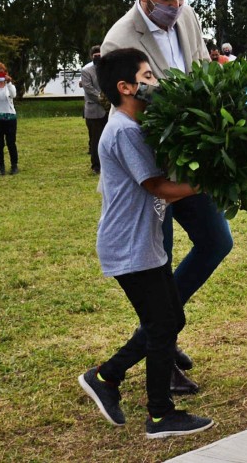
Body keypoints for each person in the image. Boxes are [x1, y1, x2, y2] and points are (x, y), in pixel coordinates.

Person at [102, 0, 233, 394]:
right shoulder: (119, 39)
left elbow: (199, 73)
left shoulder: (188, 16)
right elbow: (131, 113)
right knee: (159, 263)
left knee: (217, 241)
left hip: (192, 162)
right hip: (155, 170)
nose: (176, 5)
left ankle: (153, 337)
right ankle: (162, 345)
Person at [78, 48, 213, 439]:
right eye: (148, 75)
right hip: (129, 248)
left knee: (171, 320)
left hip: (144, 244)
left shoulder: (136, 127)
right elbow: (158, 187)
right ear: (126, 87)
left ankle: (106, 376)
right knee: (162, 326)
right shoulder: (123, 131)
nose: (155, 81)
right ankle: (159, 416)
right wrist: (211, 182)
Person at [82, 46, 108, 174]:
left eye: (100, 54)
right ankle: (96, 166)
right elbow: (89, 89)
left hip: (109, 111)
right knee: (95, 140)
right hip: (94, 111)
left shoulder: (108, 67)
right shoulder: (86, 71)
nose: (98, 57)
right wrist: (104, 100)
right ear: (91, 56)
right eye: (95, 55)